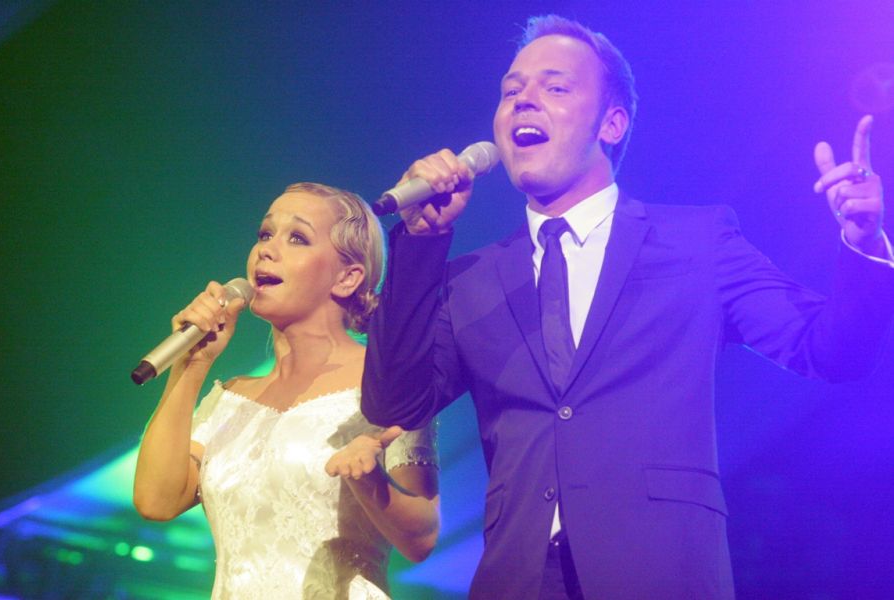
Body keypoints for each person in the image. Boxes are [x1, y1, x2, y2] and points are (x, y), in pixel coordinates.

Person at [360, 14, 893, 600]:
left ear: (612, 123)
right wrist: (421, 243)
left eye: (555, 87)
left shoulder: (698, 242)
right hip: (517, 580)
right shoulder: (472, 280)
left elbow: (831, 350)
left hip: (659, 572)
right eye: (511, 91)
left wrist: (863, 243)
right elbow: (395, 402)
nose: (523, 101)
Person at [133, 182, 440, 599]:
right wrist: (192, 367)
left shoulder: (387, 382)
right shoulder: (230, 399)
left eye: (297, 238)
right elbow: (156, 501)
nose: (266, 250)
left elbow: (422, 538)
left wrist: (370, 479)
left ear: (347, 277)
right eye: (265, 234)